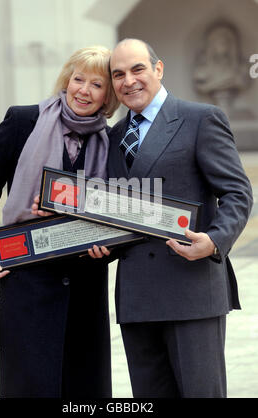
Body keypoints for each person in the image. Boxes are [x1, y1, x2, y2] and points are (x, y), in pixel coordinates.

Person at [0, 46, 119, 398]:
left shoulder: (112, 142)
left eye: (97, 84)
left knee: (84, 387)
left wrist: (107, 249)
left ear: (108, 96)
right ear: (66, 80)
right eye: (79, 79)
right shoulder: (23, 121)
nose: (84, 90)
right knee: (29, 385)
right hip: (25, 280)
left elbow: (117, 215)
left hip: (84, 285)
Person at [106, 38, 253, 398]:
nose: (129, 80)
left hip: (191, 288)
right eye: (118, 74)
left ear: (158, 69)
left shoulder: (200, 118)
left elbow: (238, 193)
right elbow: (109, 208)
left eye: (138, 69)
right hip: (137, 296)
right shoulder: (113, 137)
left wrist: (215, 240)